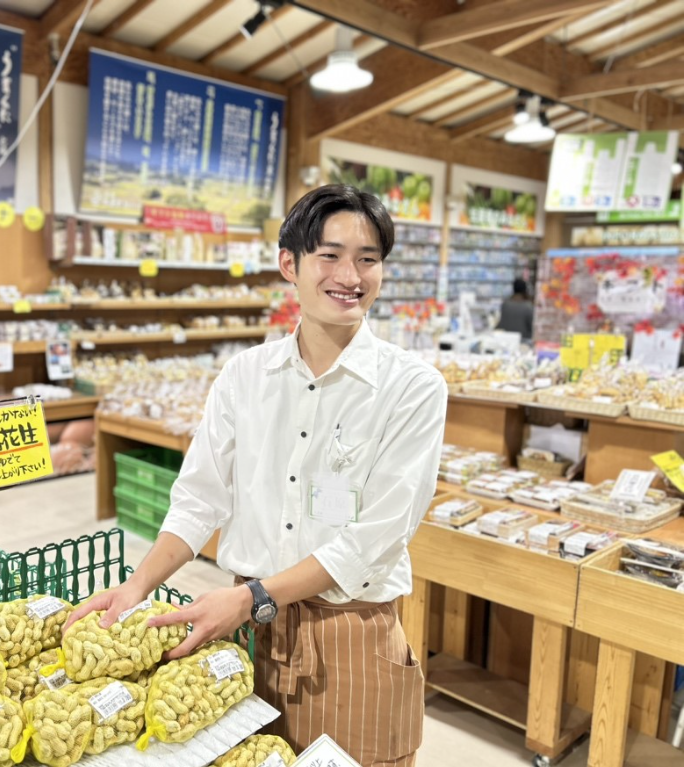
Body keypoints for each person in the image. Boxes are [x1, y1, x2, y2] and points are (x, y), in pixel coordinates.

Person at [64, 185, 448, 766]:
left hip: (349, 633)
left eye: (368, 259)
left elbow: (375, 539)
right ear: (289, 264)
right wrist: (135, 587)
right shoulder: (245, 375)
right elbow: (198, 500)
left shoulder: (413, 387)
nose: (351, 275)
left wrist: (251, 597)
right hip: (243, 636)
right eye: (330, 255)